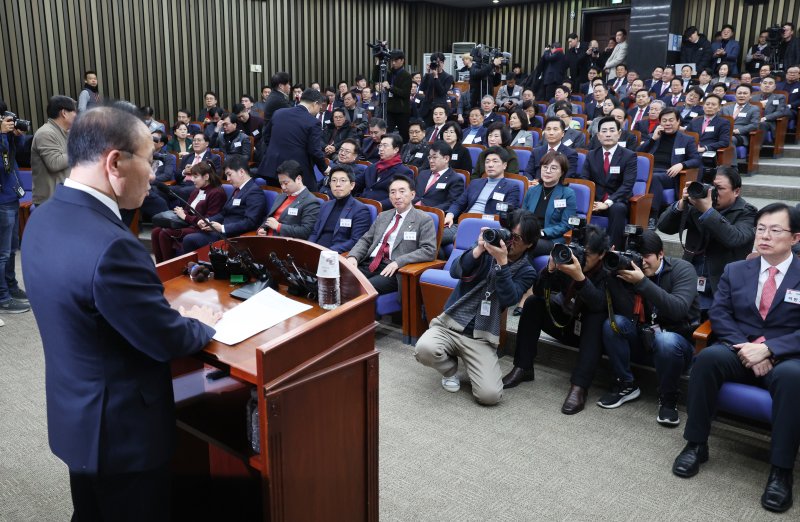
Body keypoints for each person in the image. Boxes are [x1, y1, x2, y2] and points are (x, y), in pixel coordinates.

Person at [20, 103, 220, 520]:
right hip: (123, 433)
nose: (155, 174)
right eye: (149, 161)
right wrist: (200, 321)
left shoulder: (43, 217)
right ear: (115, 162)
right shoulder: (114, 246)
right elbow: (166, 339)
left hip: (76, 414)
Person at [673, 202, 800, 514]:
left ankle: (781, 470)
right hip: (739, 350)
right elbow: (719, 313)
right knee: (706, 360)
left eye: (775, 230)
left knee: (792, 377)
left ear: (795, 238)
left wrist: (769, 349)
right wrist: (746, 347)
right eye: (760, 229)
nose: (765, 236)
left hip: (786, 357)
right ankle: (696, 444)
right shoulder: (735, 270)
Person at [505, 224, 635, 414]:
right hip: (567, 324)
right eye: (580, 251)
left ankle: (579, 386)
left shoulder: (610, 270)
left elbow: (600, 304)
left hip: (593, 337)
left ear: (601, 254)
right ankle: (523, 367)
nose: (581, 259)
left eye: (587, 254)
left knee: (596, 316)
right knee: (533, 302)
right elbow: (541, 292)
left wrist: (580, 278)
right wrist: (549, 270)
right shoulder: (569, 259)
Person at [414, 209, 539, 405]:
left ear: (530, 244)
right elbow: (455, 271)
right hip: (450, 324)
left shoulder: (527, 271)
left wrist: (502, 263)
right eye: (508, 233)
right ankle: (449, 369)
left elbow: (509, 298)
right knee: (424, 349)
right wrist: (478, 250)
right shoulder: (487, 246)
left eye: (517, 238)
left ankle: (471, 361)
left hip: (481, 336)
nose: (509, 240)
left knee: (490, 396)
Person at [598, 230, 700, 426]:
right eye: (638, 256)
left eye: (646, 257)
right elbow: (626, 312)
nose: (641, 262)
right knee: (613, 324)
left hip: (677, 345)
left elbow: (677, 309)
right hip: (643, 339)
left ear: (661, 254)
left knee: (666, 340)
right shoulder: (628, 271)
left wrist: (642, 282)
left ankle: (668, 398)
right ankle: (626, 384)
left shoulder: (683, 269)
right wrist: (613, 271)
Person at [656, 166, 756, 313]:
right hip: (690, 277)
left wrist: (708, 212)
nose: (713, 193)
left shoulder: (748, 213)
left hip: (720, 284)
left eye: (719, 188)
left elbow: (734, 238)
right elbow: (664, 227)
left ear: (736, 191)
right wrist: (681, 204)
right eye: (710, 187)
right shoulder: (697, 205)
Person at [347, 176, 436, 294]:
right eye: (393, 192)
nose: (397, 196)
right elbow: (366, 240)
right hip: (369, 263)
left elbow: (429, 250)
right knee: (340, 280)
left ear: (413, 194)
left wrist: (399, 261)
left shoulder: (423, 219)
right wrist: (353, 256)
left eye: (402, 191)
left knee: (362, 288)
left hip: (394, 269)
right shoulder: (383, 216)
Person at [441, 147, 521, 252]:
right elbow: (459, 203)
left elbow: (508, 212)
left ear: (504, 165)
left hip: (488, 228)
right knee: (432, 236)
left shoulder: (512, 186)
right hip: (464, 224)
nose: (490, 165)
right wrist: (450, 215)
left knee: (456, 239)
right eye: (487, 161)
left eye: (495, 161)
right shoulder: (476, 183)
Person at [182, 155, 267, 252]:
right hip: (221, 230)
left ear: (241, 172)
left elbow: (250, 222)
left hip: (234, 235)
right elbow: (224, 213)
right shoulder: (237, 189)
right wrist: (207, 220)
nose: (227, 179)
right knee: (187, 234)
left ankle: (195, 267)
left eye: (229, 174)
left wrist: (223, 228)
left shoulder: (254, 192)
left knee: (189, 239)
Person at [578, 116, 638, 250]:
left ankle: (612, 249)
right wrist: (591, 201)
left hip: (617, 199)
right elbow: (584, 180)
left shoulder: (629, 156)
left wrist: (607, 203)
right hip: (595, 200)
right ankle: (582, 246)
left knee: (617, 209)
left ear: (619, 133)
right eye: (604, 131)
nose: (608, 134)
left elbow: (627, 185)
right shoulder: (592, 155)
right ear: (598, 136)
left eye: (612, 130)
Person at [150, 160, 226, 263]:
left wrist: (185, 216)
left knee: (165, 233)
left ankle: (169, 268)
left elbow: (208, 220)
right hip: (188, 224)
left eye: (195, 177)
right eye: (192, 176)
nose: (192, 180)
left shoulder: (217, 193)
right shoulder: (196, 191)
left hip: (200, 228)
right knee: (156, 231)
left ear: (206, 177)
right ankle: (159, 266)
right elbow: (187, 209)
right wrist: (181, 211)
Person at [258, 88, 330, 191]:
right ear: (315, 104)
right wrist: (325, 168)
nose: (319, 110)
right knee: (310, 198)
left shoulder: (279, 113)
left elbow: (266, 136)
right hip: (296, 172)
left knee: (276, 202)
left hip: (272, 168)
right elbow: (314, 150)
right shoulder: (313, 122)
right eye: (320, 106)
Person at [637, 108, 701, 221]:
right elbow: (638, 154)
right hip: (650, 171)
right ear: (660, 123)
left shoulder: (687, 139)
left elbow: (696, 160)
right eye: (664, 121)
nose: (668, 123)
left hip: (669, 174)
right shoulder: (655, 136)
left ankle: (652, 216)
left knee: (654, 178)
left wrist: (682, 164)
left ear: (678, 122)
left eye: (671, 120)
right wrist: (652, 139)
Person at [0, 105, 29, 314]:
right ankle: (2, 297)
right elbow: (2, 165)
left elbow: (15, 155)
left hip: (12, 195)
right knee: (2, 253)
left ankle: (11, 286)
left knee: (11, 249)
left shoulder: (6, 136)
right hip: (1, 200)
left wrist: (15, 136)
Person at [520, 150, 576, 257]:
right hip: (528, 235)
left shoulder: (568, 194)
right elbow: (523, 216)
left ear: (562, 172)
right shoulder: (532, 190)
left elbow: (566, 224)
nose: (548, 171)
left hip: (551, 240)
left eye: (553, 168)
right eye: (545, 167)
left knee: (528, 246)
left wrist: (543, 232)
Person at [307, 164, 371, 253]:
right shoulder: (326, 205)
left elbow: (355, 241)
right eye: (334, 180)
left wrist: (328, 252)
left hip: (336, 255)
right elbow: (315, 232)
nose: (337, 184)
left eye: (343, 181)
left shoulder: (360, 210)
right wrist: (309, 247)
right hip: (315, 250)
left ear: (352, 185)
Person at [256, 160, 320, 239]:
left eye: (286, 183)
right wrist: (262, 228)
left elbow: (305, 231)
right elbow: (270, 217)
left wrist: (279, 226)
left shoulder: (310, 201)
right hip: (266, 239)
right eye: (281, 184)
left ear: (298, 179)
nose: (283, 187)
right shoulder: (281, 196)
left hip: (285, 243)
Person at [31, 95, 76, 205]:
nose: (77, 115)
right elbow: (55, 163)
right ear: (64, 113)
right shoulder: (46, 133)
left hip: (64, 197)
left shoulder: (65, 132)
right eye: (75, 112)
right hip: (51, 201)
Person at [356, 134, 414, 210]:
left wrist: (377, 206)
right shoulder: (372, 167)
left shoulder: (404, 172)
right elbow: (356, 183)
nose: (381, 149)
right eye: (380, 146)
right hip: (362, 205)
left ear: (396, 150)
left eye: (385, 146)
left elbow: (401, 197)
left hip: (384, 210)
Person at [413, 141, 465, 212]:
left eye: (434, 157)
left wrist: (430, 211)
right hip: (412, 210)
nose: (431, 161)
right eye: (429, 157)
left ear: (446, 159)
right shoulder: (422, 174)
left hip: (432, 215)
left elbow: (451, 203)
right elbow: (412, 193)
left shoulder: (455, 179)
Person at [372, 50, 412, 142]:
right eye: (392, 61)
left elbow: (405, 93)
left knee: (403, 135)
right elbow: (375, 77)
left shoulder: (406, 75)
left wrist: (390, 87)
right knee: (387, 132)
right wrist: (378, 61)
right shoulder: (389, 73)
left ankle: (403, 153)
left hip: (402, 111)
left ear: (402, 61)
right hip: (390, 109)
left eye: (396, 61)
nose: (393, 63)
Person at [752, 76, 792, 142]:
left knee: (762, 124)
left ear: (774, 87)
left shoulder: (780, 97)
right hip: (753, 120)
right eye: (765, 83)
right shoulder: (753, 98)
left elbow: (780, 112)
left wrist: (765, 118)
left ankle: (756, 149)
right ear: (760, 85)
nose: (767, 85)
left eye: (770, 84)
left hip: (769, 122)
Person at [419, 52, 454, 126]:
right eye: (436, 62)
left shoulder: (448, 77)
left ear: (443, 63)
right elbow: (421, 88)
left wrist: (436, 77)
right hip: (427, 109)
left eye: (440, 62)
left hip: (440, 108)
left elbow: (442, 92)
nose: (438, 64)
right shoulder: (429, 75)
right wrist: (427, 73)